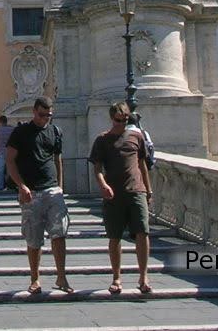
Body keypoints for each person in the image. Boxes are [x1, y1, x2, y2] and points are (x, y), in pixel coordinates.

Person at [5, 97, 72, 295]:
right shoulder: (21, 132)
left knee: (59, 234)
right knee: (33, 239)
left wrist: (60, 186)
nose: (45, 119)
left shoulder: (54, 132)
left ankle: (61, 277)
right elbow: (10, 161)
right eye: (42, 115)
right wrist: (21, 186)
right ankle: (35, 279)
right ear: (34, 111)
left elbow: (57, 159)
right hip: (31, 191)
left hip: (52, 190)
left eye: (49, 116)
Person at [89, 101, 153, 296]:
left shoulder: (137, 137)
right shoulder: (102, 140)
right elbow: (97, 168)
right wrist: (103, 185)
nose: (121, 124)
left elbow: (142, 164)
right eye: (118, 120)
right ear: (111, 118)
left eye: (125, 120)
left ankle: (143, 276)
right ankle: (116, 277)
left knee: (143, 233)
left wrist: (148, 190)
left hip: (136, 191)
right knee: (114, 237)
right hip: (113, 194)